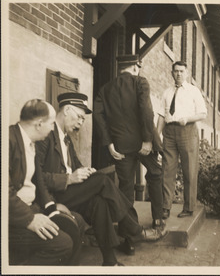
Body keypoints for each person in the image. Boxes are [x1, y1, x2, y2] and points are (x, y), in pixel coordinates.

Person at [35, 92, 167, 266]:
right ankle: (134, 230)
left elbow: (75, 165)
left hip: (69, 193)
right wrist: (69, 179)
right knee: (102, 181)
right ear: (66, 110)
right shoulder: (45, 136)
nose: (81, 123)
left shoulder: (66, 138)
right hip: (52, 197)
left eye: (83, 120)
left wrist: (85, 170)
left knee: (100, 202)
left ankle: (109, 261)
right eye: (79, 117)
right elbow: (36, 177)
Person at [93, 54, 166, 255]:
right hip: (143, 143)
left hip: (120, 146)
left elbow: (99, 118)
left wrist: (109, 144)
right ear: (135, 67)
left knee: (125, 188)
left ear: (120, 69)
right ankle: (158, 220)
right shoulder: (140, 82)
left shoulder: (105, 89)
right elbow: (146, 110)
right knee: (156, 175)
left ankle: (129, 239)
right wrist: (147, 139)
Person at [9, 99, 79, 265]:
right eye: (51, 123)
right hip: (12, 217)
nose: (53, 128)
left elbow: (38, 181)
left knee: (76, 223)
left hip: (30, 207)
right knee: (62, 244)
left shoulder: (30, 143)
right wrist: (30, 219)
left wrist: (51, 208)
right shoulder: (8, 141)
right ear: (39, 124)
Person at [156, 61, 207, 219]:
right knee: (167, 169)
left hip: (187, 130)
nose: (178, 74)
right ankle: (165, 207)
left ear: (186, 73)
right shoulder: (167, 92)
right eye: (176, 71)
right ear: (172, 73)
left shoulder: (193, 91)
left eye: (181, 71)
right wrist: (156, 134)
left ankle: (189, 207)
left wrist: (187, 119)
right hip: (169, 132)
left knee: (189, 169)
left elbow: (203, 113)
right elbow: (162, 115)